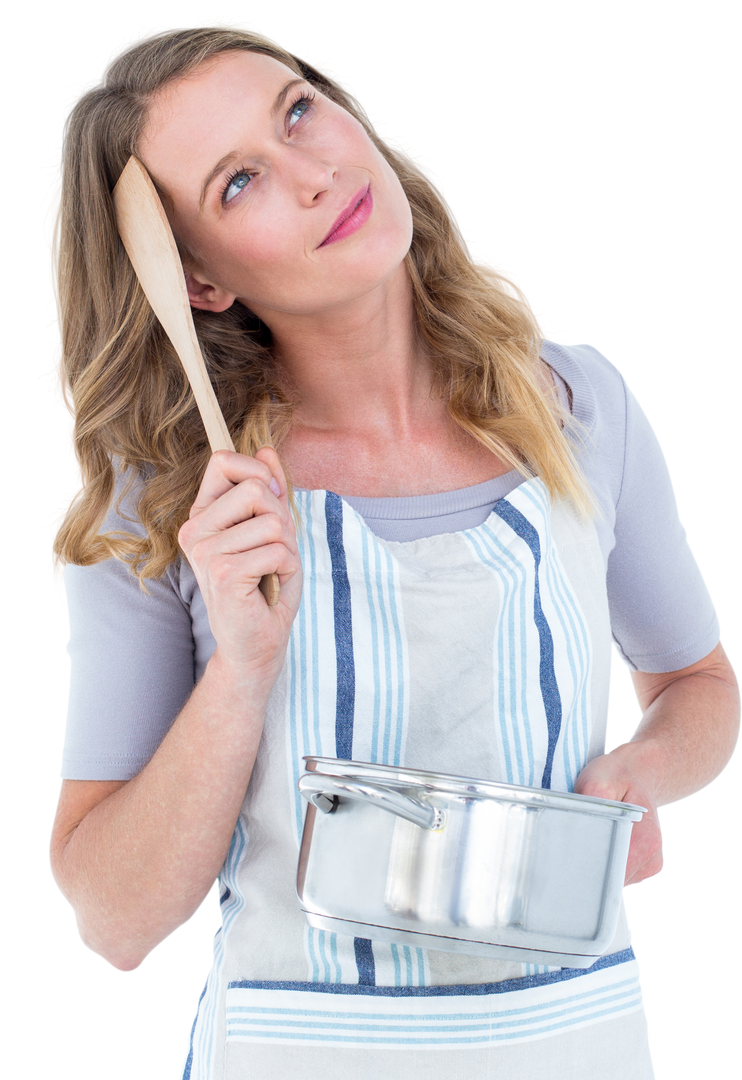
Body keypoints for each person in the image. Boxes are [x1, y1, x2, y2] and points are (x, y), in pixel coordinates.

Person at [44, 14, 739, 1080]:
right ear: (202, 284)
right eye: (240, 184)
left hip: (578, 1047)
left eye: (297, 114)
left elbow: (696, 682)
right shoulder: (170, 506)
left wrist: (637, 776)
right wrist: (241, 664)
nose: (315, 173)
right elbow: (115, 920)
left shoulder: (579, 405)